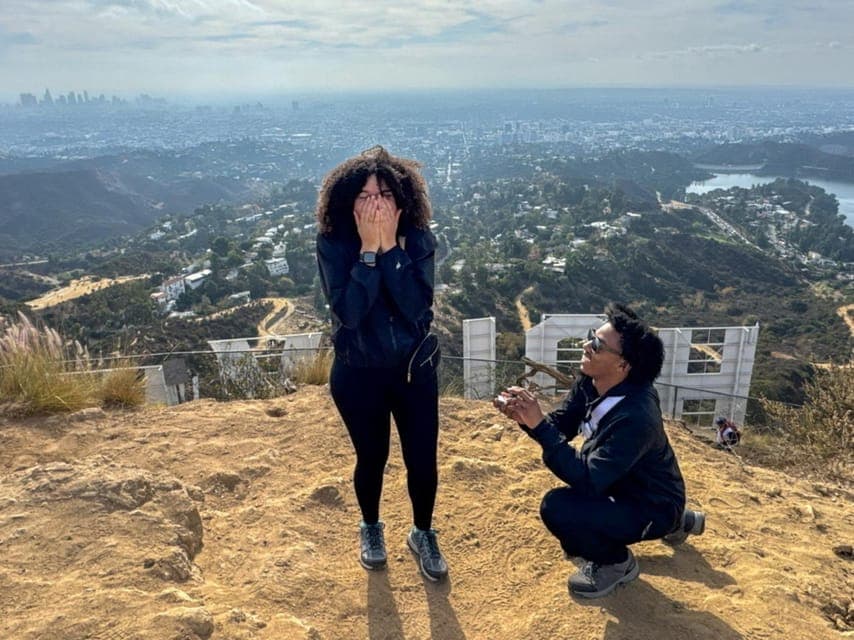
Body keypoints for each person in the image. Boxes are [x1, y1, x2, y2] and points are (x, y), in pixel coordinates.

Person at [495, 303, 705, 598]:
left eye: (596, 344)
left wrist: (540, 426)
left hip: (649, 501)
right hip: (629, 485)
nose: (585, 345)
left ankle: (617, 563)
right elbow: (562, 426)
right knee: (595, 505)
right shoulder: (593, 382)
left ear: (623, 365)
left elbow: (588, 480)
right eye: (591, 336)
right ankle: (678, 522)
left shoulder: (636, 416)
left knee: (558, 509)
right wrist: (525, 417)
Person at [316, 146, 447, 581]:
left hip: (413, 372)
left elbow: (415, 308)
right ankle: (370, 526)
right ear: (346, 201)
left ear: (403, 199)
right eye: (365, 195)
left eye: (385, 195)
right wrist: (368, 253)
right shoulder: (333, 245)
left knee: (422, 460)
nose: (376, 204)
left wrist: (389, 248)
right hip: (358, 373)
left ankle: (423, 531)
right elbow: (349, 313)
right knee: (371, 457)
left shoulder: (420, 240)